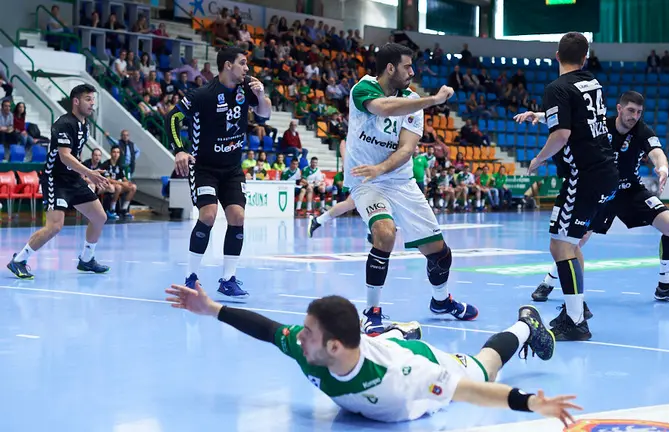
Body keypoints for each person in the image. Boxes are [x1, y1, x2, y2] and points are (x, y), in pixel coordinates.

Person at [164, 281, 581, 425]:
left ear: (333, 346)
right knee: (393, 341)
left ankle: (525, 325)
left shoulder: (404, 376)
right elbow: (268, 329)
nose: (297, 336)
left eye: (307, 332)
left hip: (419, 357)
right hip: (379, 348)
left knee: (484, 368)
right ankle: (400, 330)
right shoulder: (307, 347)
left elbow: (470, 392)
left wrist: (529, 404)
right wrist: (212, 308)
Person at [340, 43, 478, 335]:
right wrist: (433, 100)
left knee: (440, 254)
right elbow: (383, 108)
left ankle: (441, 301)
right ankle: (371, 312)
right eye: (407, 66)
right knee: (384, 233)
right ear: (390, 68)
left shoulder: (412, 101)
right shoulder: (362, 90)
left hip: (400, 181)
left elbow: (406, 150)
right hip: (365, 180)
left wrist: (382, 167)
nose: (412, 72)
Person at [520, 91, 669, 307]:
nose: (634, 116)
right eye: (631, 111)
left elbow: (656, 151)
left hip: (631, 191)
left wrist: (663, 167)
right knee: (574, 242)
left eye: (639, 112)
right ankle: (549, 282)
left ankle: (665, 285)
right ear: (619, 109)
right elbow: (570, 122)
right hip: (601, 191)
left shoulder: (641, 130)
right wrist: (540, 115)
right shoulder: (601, 125)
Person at [520, 32, 619, 342]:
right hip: (605, 171)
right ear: (585, 59)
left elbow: (561, 134)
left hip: (583, 175)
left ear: (556, 55)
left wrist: (538, 159)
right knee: (572, 245)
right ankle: (576, 308)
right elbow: (581, 119)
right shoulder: (592, 82)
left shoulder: (556, 88)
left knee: (559, 245)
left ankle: (575, 321)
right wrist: (540, 115)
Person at [165, 46, 272, 299]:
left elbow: (264, 114)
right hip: (205, 167)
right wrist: (179, 150)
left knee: (238, 217)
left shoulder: (246, 89)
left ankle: (228, 279)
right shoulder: (203, 94)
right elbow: (172, 117)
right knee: (209, 215)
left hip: (233, 168)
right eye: (243, 63)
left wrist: (261, 94)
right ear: (227, 65)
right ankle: (191, 277)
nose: (247, 68)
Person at [7, 84, 111, 279]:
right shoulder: (63, 124)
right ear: (76, 101)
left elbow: (74, 157)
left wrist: (86, 175)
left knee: (99, 217)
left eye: (93, 100)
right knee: (55, 226)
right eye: (88, 99)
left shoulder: (84, 126)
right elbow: (64, 156)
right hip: (55, 180)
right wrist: (89, 171)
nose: (92, 104)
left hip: (72, 178)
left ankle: (87, 259)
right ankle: (19, 260)